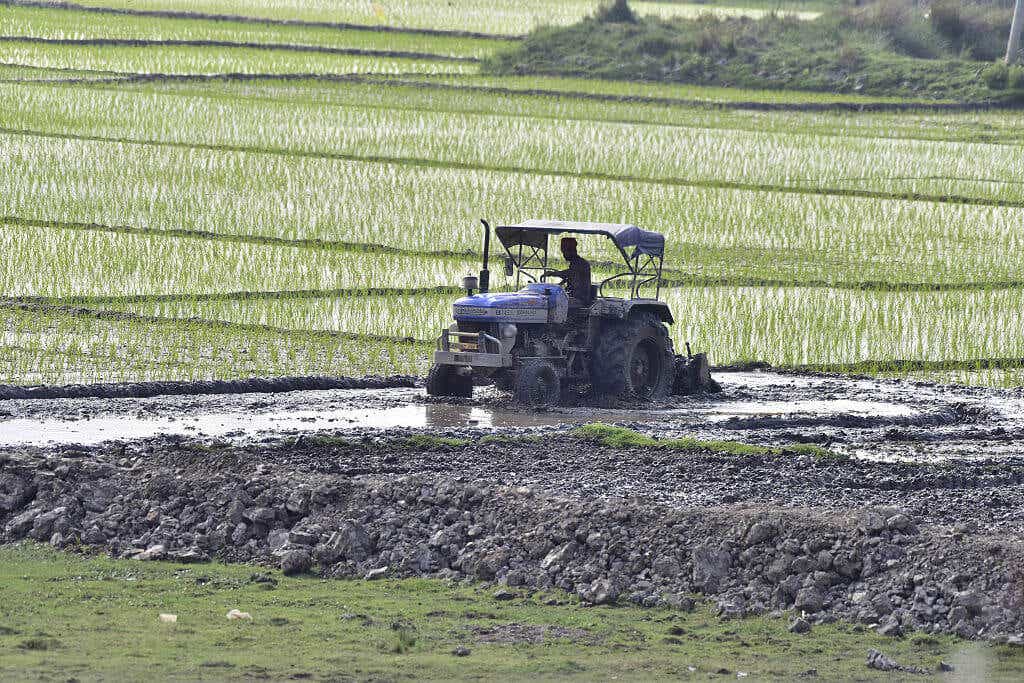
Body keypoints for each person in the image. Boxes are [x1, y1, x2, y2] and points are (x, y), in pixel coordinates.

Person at [544, 237, 592, 306]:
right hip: (572, 296)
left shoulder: (581, 263)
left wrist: (552, 273)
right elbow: (568, 278)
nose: (563, 255)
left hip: (579, 300)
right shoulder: (574, 263)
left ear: (571, 251)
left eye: (564, 252)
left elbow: (568, 273)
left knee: (551, 304)